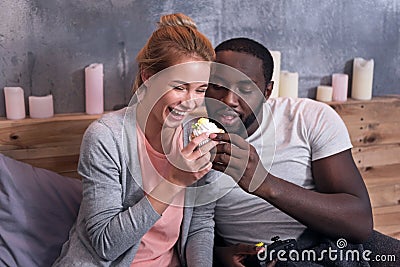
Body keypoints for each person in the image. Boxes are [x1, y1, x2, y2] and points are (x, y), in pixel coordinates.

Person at [186, 37, 379, 267]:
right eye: (217, 87)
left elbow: (359, 223)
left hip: (319, 251)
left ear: (267, 92)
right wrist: (220, 255)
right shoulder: (192, 139)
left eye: (246, 89)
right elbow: (192, 226)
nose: (229, 100)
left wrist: (266, 183)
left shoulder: (307, 118)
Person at [53, 13, 217, 266]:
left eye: (201, 90)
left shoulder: (198, 137)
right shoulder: (106, 137)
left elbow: (199, 225)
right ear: (148, 77)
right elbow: (105, 245)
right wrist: (174, 181)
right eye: (179, 87)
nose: (191, 102)